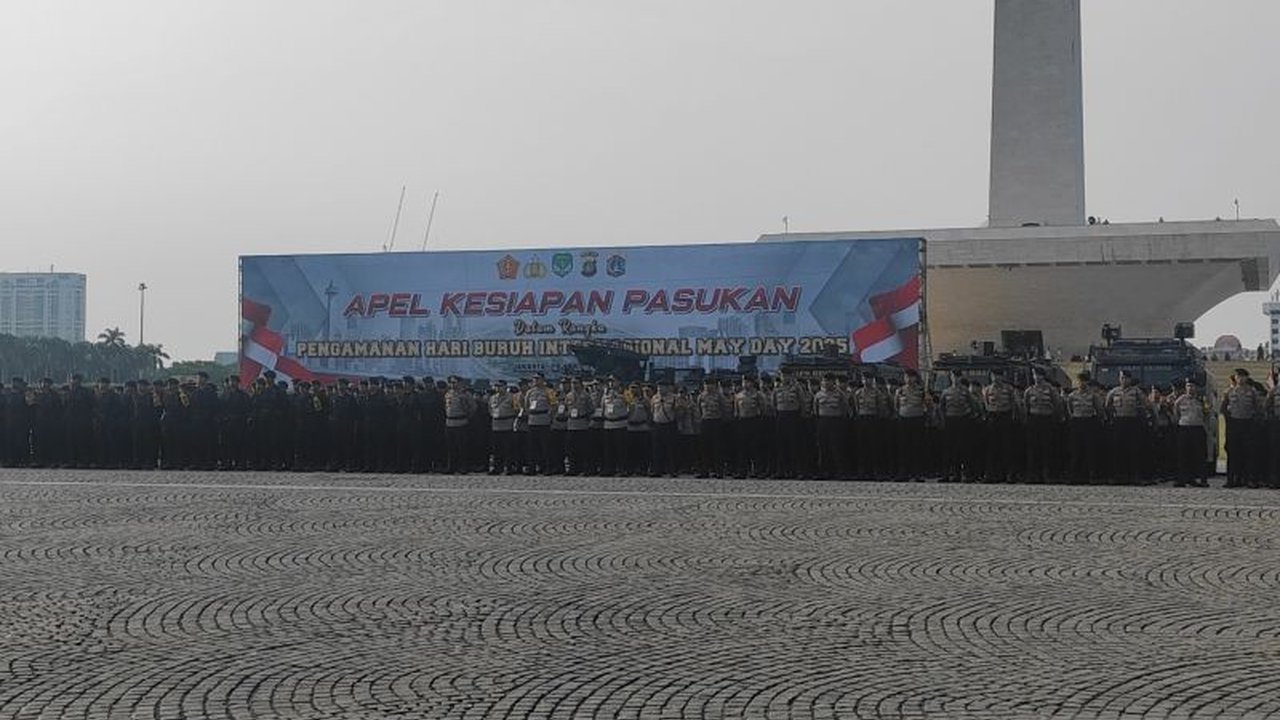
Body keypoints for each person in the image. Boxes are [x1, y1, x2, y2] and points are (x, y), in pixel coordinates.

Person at [1105, 371, 1149, 485]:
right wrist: (1112, 418)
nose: (1124, 380)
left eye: (1126, 378)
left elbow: (1145, 405)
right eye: (1122, 378)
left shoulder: (1136, 392)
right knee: (1118, 450)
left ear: (1130, 379)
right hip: (1118, 422)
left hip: (1132, 422)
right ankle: (1118, 476)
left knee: (1134, 450)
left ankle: (1135, 476)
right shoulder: (1114, 392)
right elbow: (1107, 406)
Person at [1220, 368, 1261, 488]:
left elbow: (1258, 407)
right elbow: (1223, 408)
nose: (1240, 378)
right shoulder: (1229, 392)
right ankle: (1231, 479)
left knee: (1249, 454)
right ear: (1235, 378)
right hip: (1234, 425)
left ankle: (1249, 480)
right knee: (1233, 453)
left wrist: (1254, 420)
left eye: (1243, 376)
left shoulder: (1252, 391)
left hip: (1247, 425)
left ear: (1247, 378)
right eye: (1238, 376)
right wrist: (1229, 420)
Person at [1065, 372, 1104, 483]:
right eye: (1080, 381)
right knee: (1076, 450)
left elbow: (1099, 410)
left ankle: (1091, 475)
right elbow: (1069, 410)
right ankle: (1075, 476)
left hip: (1089, 422)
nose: (1082, 383)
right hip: (1077, 422)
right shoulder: (1072, 396)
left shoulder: (1093, 395)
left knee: (1090, 450)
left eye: (1084, 381)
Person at [1172, 379, 1210, 487]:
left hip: (1197, 428)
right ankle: (1183, 479)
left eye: (1192, 386)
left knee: (1200, 456)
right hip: (1184, 428)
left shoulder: (1201, 400)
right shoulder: (1180, 400)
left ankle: (1202, 479)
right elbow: (1176, 414)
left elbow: (1207, 414)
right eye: (1188, 386)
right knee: (1183, 455)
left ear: (1196, 388)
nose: (1190, 388)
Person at [812, 374, 849, 479]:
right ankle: (824, 471)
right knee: (823, 448)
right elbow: (815, 409)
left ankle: (840, 472)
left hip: (836, 422)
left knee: (837, 448)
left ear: (833, 382)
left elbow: (845, 408)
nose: (826, 383)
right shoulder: (818, 395)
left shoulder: (840, 394)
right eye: (824, 381)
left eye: (829, 381)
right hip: (822, 422)